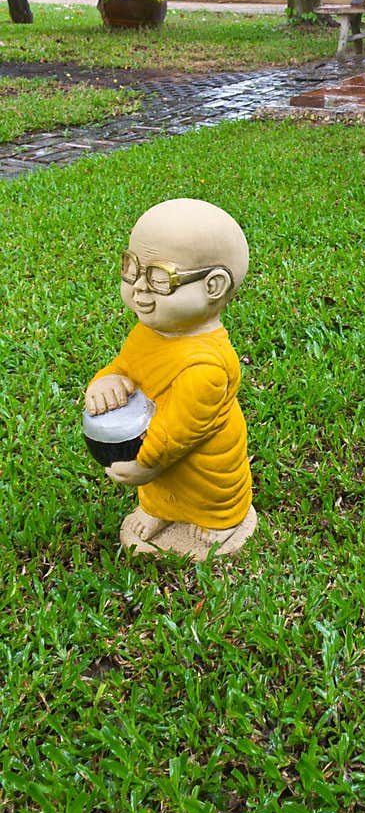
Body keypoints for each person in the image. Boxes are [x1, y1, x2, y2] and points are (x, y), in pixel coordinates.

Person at [84, 198, 256, 560]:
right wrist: (107, 380)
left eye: (160, 277)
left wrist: (145, 464)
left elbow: (181, 429)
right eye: (132, 267)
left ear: (213, 286)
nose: (139, 288)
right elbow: (127, 367)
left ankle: (223, 520)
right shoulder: (149, 333)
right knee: (160, 490)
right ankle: (160, 509)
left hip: (201, 456)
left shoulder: (205, 365)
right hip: (156, 442)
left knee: (209, 487)